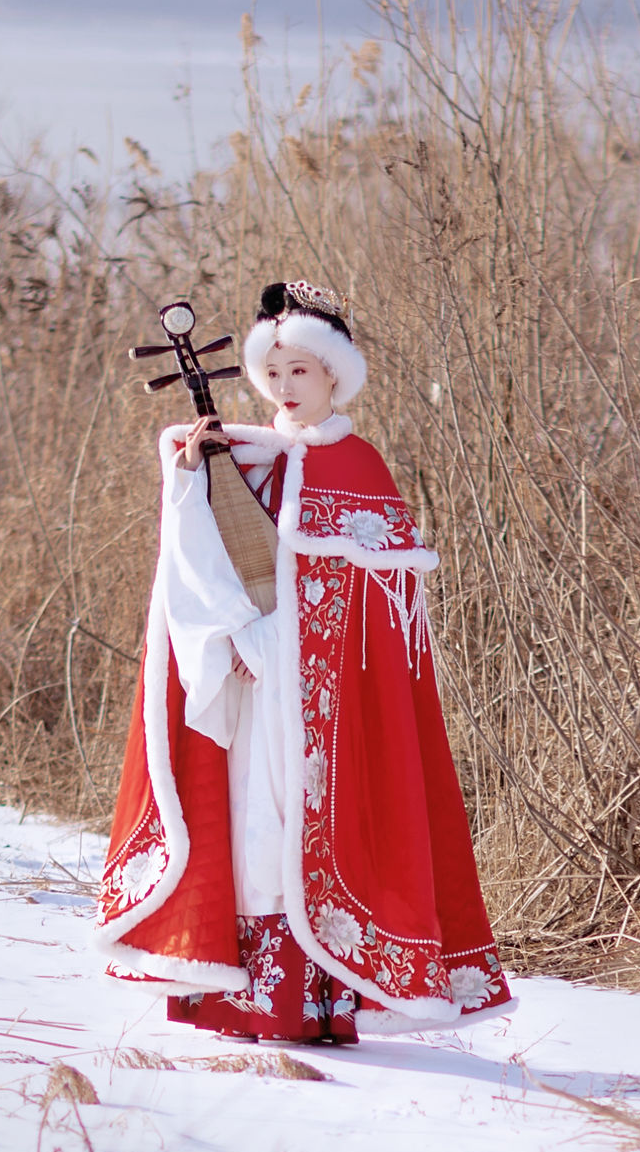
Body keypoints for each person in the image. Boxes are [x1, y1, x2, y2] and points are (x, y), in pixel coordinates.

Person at [100, 278, 510, 1044]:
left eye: (303, 372)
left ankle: (320, 1002)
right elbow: (202, 562)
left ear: (334, 377)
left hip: (332, 708)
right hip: (254, 690)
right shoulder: (245, 459)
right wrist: (194, 474)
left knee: (315, 833)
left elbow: (373, 611)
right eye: (275, 373)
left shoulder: (361, 469)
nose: (287, 388)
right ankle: (245, 998)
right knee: (253, 834)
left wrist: (291, 650)